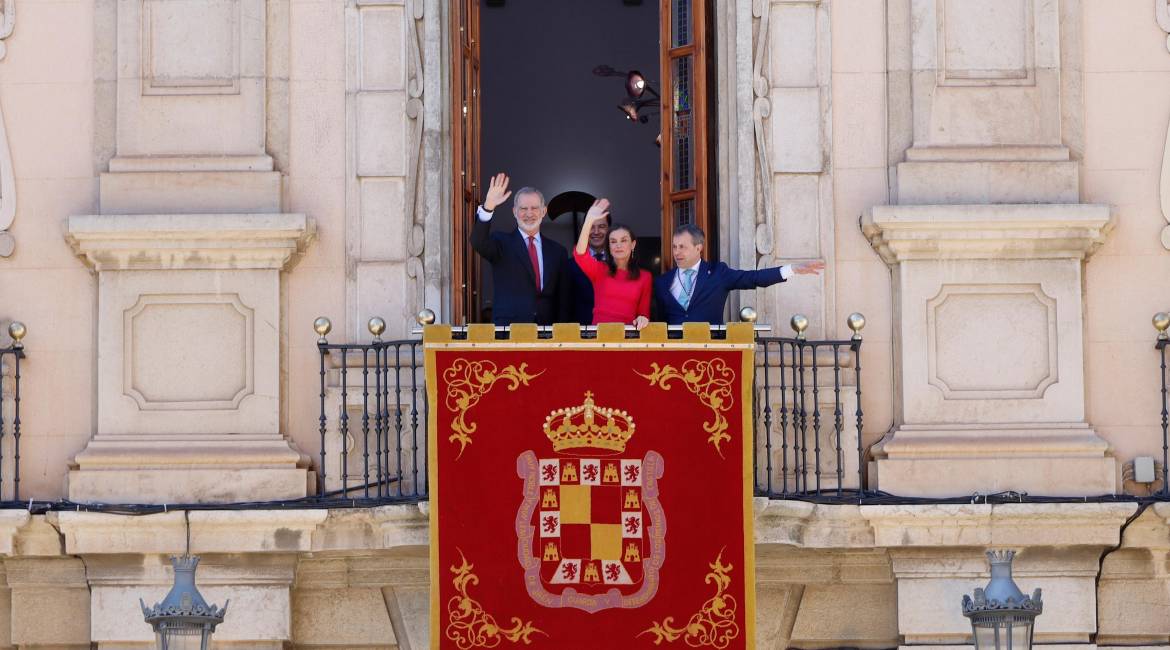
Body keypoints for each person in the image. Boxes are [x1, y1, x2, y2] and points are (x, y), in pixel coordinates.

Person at [655, 223, 824, 325]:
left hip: (709, 354)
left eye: (682, 247)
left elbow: (753, 278)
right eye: (675, 246)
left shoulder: (717, 273)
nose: (677, 252)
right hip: (673, 356)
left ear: (698, 247)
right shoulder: (663, 281)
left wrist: (791, 269)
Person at [470, 173, 572, 326]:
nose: (529, 213)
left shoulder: (558, 251)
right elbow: (478, 241)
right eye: (523, 208)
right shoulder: (501, 243)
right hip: (510, 332)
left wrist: (563, 334)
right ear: (514, 212)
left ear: (543, 212)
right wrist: (488, 206)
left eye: (534, 208)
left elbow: (564, 300)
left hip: (548, 333)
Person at [572, 199, 651, 330]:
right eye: (613, 241)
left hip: (627, 339)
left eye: (623, 240)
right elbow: (580, 254)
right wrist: (588, 221)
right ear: (608, 246)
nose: (618, 245)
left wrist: (643, 318)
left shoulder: (645, 276)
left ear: (633, 244)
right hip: (599, 339)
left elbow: (644, 313)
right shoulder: (599, 270)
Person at [569, 213, 609, 324]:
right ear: (584, 230)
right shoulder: (569, 266)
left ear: (609, 229)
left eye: (601, 226)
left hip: (614, 331)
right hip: (580, 333)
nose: (596, 232)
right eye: (591, 226)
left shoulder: (620, 264)